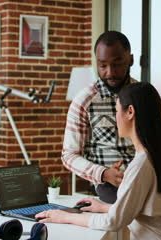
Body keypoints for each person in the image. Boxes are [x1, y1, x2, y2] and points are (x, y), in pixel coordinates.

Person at [37, 82, 161, 240]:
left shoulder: (142, 164)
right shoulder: (160, 155)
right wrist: (102, 207)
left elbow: (113, 222)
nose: (115, 118)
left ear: (130, 112)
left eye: (116, 111)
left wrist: (66, 217)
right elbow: (140, 211)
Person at [62, 31, 136, 204]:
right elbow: (69, 155)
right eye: (103, 65)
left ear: (130, 60)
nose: (110, 72)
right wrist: (103, 173)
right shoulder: (84, 101)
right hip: (107, 186)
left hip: (144, 179)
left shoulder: (146, 97)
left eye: (117, 64)